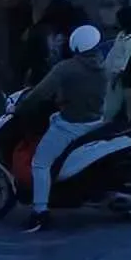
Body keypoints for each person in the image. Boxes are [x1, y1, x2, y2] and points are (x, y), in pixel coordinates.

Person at [17, 24, 107, 232]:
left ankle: (39, 212)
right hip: (96, 120)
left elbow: (41, 92)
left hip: (71, 124)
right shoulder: (103, 64)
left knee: (39, 162)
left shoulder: (67, 67)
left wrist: (23, 106)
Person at [22, 0, 82, 87]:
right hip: (59, 80)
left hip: (39, 80)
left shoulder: (34, 30)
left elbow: (26, 57)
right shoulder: (67, 32)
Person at [102, 5, 131, 123]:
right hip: (114, 77)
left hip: (126, 79)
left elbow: (130, 59)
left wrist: (119, 73)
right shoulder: (121, 35)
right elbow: (113, 55)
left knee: (116, 108)